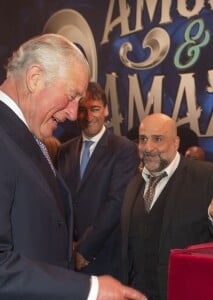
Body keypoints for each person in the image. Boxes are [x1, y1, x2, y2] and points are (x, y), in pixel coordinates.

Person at [0, 33, 146, 300]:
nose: (71, 113)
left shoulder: (25, 137)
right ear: (34, 79)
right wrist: (90, 289)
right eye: (71, 96)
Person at [120, 113, 213, 300]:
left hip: (185, 292)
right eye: (143, 139)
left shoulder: (206, 176)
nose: (148, 147)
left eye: (158, 139)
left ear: (176, 143)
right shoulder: (132, 183)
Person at [57, 81, 139, 278]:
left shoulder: (124, 149)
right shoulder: (64, 150)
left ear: (106, 110)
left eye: (95, 109)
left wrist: (84, 249)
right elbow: (59, 199)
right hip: (66, 256)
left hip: (104, 256)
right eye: (83, 110)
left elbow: (116, 203)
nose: (89, 116)